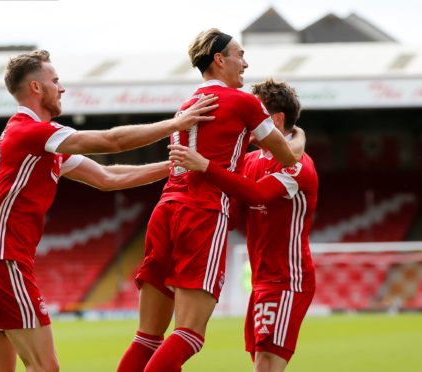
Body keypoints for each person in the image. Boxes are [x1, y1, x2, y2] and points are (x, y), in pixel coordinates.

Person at [0, 49, 218, 372]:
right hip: (4, 261)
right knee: (45, 367)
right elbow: (112, 142)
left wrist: (176, 167)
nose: (62, 88)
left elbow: (107, 177)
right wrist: (177, 123)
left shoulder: (34, 141)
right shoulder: (34, 132)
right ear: (37, 89)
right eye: (55, 81)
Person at [117, 29, 306, 372]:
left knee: (147, 337)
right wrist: (300, 135)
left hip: (164, 210)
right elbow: (286, 154)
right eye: (240, 55)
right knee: (189, 333)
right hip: (202, 213)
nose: (245, 63)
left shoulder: (187, 104)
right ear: (220, 59)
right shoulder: (243, 102)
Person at [169, 78, 318, 372]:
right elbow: (235, 215)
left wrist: (206, 166)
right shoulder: (249, 161)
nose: (248, 120)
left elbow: (258, 194)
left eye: (257, 114)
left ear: (276, 119)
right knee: (259, 364)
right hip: (261, 282)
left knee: (265, 366)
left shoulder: (299, 166)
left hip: (289, 281)